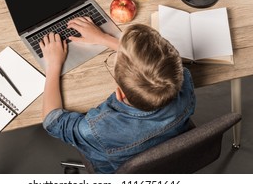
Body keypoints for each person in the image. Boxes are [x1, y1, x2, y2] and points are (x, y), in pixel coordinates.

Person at [39, 17, 196, 174]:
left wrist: (53, 65)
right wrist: (104, 38)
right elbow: (165, 69)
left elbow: (52, 122)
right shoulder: (183, 82)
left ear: (119, 94)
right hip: (172, 157)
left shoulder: (97, 129)